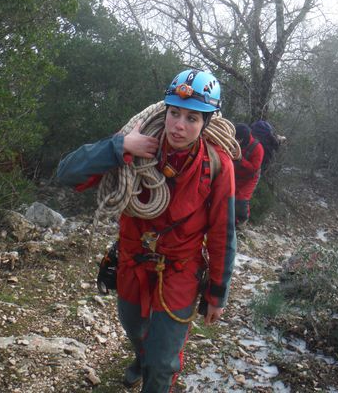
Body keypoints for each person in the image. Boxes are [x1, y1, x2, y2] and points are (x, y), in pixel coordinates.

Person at [56, 69, 237, 393]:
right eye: (174, 113)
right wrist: (120, 145)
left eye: (192, 118)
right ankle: (142, 358)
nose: (179, 125)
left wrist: (216, 295)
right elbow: (67, 173)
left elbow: (223, 233)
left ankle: (153, 369)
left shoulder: (217, 164)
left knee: (163, 362)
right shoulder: (134, 143)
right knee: (135, 329)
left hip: (180, 270)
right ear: (164, 111)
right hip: (132, 262)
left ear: (206, 122)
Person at [233, 123, 264, 227]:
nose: (236, 141)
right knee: (227, 195)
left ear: (243, 139)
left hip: (250, 178)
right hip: (235, 174)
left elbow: (253, 169)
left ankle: (242, 221)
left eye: (238, 140)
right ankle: (230, 219)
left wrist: (240, 159)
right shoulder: (233, 139)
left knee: (241, 199)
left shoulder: (258, 148)